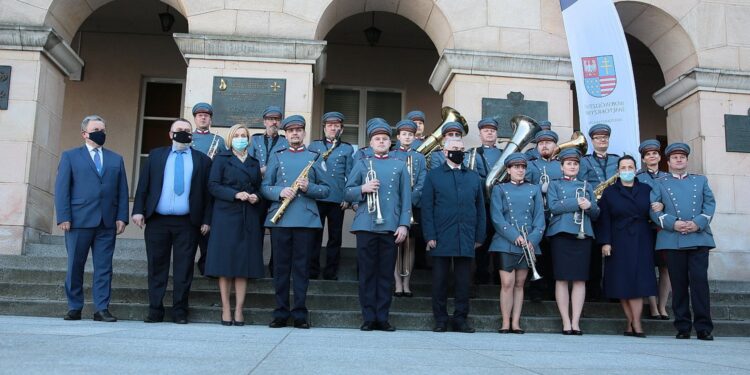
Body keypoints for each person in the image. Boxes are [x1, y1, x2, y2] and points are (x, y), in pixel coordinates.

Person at [132, 118, 213, 324]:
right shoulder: (156, 156)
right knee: (156, 266)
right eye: (179, 130)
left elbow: (207, 194)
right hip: (157, 221)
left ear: (191, 135)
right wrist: (138, 211)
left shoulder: (202, 160)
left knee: (184, 268)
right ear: (170, 134)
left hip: (188, 222)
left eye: (187, 130)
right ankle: (155, 310)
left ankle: (179, 311)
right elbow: (143, 185)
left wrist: (206, 219)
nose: (183, 133)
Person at [55, 115, 129, 322]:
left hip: (107, 222)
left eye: (103, 130)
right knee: (75, 265)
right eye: (96, 129)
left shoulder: (116, 159)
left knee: (104, 267)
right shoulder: (70, 156)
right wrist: (63, 216)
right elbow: (62, 189)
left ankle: (101, 308)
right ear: (84, 133)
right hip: (78, 221)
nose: (101, 133)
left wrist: (122, 217)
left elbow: (122, 190)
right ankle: (74, 306)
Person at [262, 115, 330, 329]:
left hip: (305, 219)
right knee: (281, 269)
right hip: (281, 219)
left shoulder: (315, 157)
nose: (294, 134)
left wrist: (309, 187)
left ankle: (300, 313)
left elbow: (327, 189)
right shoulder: (277, 155)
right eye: (290, 131)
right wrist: (279, 191)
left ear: (303, 133)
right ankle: (281, 312)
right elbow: (265, 186)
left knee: (301, 269)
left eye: (298, 130)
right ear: (285, 133)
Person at [345, 119, 411, 332]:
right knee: (367, 273)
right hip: (366, 224)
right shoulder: (363, 163)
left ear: (390, 143)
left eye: (384, 139)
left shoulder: (399, 165)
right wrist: (362, 188)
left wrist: (403, 225)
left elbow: (406, 199)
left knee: (384, 274)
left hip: (390, 225)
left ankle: (382, 317)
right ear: (370, 143)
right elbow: (346, 192)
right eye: (377, 139)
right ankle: (368, 317)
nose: (381, 142)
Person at [650, 142, 716, 341]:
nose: (679, 160)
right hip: (672, 238)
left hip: (698, 237)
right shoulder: (660, 182)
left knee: (699, 283)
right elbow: (654, 210)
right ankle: (683, 326)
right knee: (678, 284)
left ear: (686, 160)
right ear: (668, 162)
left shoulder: (701, 180)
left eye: (682, 157)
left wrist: (697, 223)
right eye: (675, 157)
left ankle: (704, 327)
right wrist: (674, 223)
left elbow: (710, 204)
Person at [422, 138, 486, 333]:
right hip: (441, 235)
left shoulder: (473, 177)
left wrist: (479, 236)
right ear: (444, 151)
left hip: (466, 235)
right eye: (454, 149)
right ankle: (440, 319)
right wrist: (430, 235)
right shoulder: (434, 176)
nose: (458, 152)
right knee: (440, 281)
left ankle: (460, 319)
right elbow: (427, 208)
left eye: (461, 149)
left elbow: (480, 208)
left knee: (463, 282)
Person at [204, 124, 264, 326]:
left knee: (242, 265)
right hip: (226, 215)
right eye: (237, 135)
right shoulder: (222, 158)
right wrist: (235, 194)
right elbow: (213, 185)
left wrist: (257, 196)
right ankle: (226, 309)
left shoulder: (254, 162)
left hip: (248, 216)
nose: (240, 138)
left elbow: (259, 187)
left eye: (244, 135)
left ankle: (239, 309)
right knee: (225, 264)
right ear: (230, 139)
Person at [597, 155, 659, 338]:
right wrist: (605, 242)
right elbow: (604, 219)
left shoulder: (647, 189)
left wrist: (659, 206)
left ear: (635, 169)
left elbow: (654, 210)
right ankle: (630, 321)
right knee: (621, 282)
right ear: (618, 171)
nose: (626, 171)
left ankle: (636, 323)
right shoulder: (610, 192)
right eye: (623, 168)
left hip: (641, 238)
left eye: (630, 167)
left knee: (638, 281)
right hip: (618, 239)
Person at [489, 153, 545, 334]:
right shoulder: (500, 189)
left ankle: (516, 322)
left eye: (522, 167)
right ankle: (505, 321)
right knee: (507, 283)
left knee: (520, 284)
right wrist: (514, 235)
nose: (520, 170)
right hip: (506, 241)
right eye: (516, 167)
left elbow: (539, 218)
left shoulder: (534, 189)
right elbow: (497, 218)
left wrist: (533, 239)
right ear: (508, 170)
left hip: (528, 242)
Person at [546, 148, 599, 335]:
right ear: (561, 167)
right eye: (568, 163)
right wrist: (577, 202)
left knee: (579, 279)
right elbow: (553, 206)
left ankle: (576, 322)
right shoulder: (554, 185)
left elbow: (596, 213)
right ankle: (565, 321)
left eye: (575, 164)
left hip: (582, 235)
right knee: (561, 279)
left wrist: (590, 205)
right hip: (561, 234)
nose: (572, 166)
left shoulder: (587, 186)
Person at [308, 111, 354, 280]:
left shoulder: (347, 148)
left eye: (336, 126)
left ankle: (331, 272)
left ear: (341, 129)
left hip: (337, 199)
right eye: (330, 125)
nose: (333, 128)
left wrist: (347, 197)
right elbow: (309, 172)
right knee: (314, 236)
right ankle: (312, 270)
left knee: (335, 238)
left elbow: (350, 175)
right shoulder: (314, 146)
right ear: (324, 128)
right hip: (317, 198)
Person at [579, 123, 619, 301]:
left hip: (614, 210)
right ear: (592, 141)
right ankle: (594, 291)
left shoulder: (617, 160)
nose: (602, 140)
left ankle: (614, 289)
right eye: (598, 138)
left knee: (615, 251)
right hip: (594, 209)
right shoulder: (585, 160)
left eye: (605, 137)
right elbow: (582, 183)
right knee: (594, 252)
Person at [390, 119, 427, 298]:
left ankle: (407, 282)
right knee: (397, 243)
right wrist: (400, 201)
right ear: (398, 136)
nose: (407, 137)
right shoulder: (391, 155)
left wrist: (410, 200)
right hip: (395, 206)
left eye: (410, 135)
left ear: (414, 137)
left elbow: (421, 181)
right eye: (404, 134)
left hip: (413, 205)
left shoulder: (419, 157)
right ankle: (398, 282)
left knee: (410, 245)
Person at [525, 130, 563, 300]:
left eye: (548, 143)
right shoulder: (531, 165)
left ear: (555, 146)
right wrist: (539, 188)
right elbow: (525, 187)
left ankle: (553, 289)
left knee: (555, 253)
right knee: (537, 253)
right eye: (541, 143)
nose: (544, 146)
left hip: (556, 216)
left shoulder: (561, 165)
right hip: (536, 215)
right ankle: (536, 289)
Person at [189, 102, 227, 276]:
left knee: (208, 232)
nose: (203, 117)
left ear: (210, 119)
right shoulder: (188, 138)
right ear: (195, 118)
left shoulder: (218, 141)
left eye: (206, 115)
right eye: (199, 115)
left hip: (210, 190)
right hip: (190, 189)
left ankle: (206, 265)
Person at [250, 105, 288, 276]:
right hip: (256, 192)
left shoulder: (285, 141)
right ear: (264, 121)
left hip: (276, 192)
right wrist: (261, 170)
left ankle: (275, 268)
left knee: (276, 232)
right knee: (255, 230)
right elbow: (248, 165)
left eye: (277, 119)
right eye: (271, 119)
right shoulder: (254, 140)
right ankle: (255, 266)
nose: (274, 122)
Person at [636, 139, 671, 321]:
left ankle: (663, 306)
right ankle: (653, 307)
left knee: (665, 268)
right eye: (648, 154)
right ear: (643, 159)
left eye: (655, 153)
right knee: (648, 266)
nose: (652, 156)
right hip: (645, 226)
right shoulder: (637, 177)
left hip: (663, 227)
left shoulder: (668, 177)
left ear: (659, 156)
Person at [466, 117, 503, 285]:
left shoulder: (504, 154)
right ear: (480, 134)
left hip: (501, 203)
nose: (489, 132)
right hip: (483, 203)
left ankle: (498, 273)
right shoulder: (473, 153)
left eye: (493, 130)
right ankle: (481, 273)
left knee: (501, 237)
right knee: (482, 237)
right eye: (486, 130)